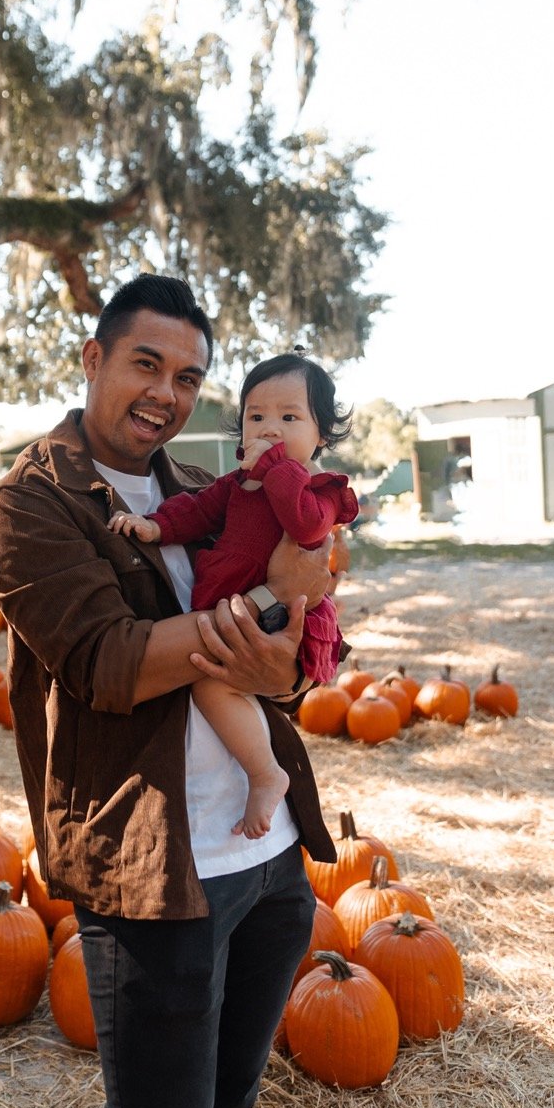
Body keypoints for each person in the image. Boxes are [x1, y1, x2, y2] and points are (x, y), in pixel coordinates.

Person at [0, 273, 336, 1108]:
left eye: (187, 379)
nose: (165, 394)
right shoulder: (28, 503)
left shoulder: (205, 488)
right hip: (155, 873)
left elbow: (292, 666)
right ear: (93, 359)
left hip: (268, 856)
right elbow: (107, 663)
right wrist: (265, 610)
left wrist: (281, 624)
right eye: (145, 364)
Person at [108, 351, 357, 839]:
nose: (270, 429)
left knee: (211, 683)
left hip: (276, 616)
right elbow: (197, 511)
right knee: (221, 678)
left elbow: (304, 525)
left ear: (321, 434)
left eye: (289, 418)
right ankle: (261, 768)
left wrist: (279, 467)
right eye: (256, 417)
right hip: (241, 605)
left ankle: (265, 774)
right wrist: (155, 527)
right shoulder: (236, 486)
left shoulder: (323, 491)